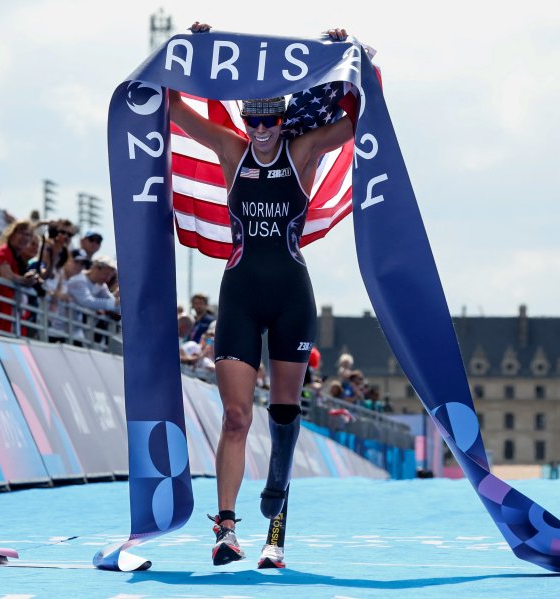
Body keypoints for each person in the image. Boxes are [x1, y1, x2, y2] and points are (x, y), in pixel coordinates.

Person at [167, 21, 353, 567]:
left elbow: (357, 118)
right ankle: (225, 528)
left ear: (284, 119)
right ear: (246, 121)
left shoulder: (304, 149)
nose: (265, 129)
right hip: (242, 294)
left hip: (292, 295)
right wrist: (192, 53)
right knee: (235, 417)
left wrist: (344, 57)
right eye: (256, 121)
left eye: (273, 120)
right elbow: (174, 109)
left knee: (284, 414)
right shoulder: (232, 149)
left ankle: (277, 528)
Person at [0, 221, 40, 333]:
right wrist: (26, 281)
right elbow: (7, 276)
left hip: (9, 318)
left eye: (28, 235)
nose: (25, 238)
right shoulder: (4, 252)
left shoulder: (16, 258)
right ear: (12, 233)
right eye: (21, 233)